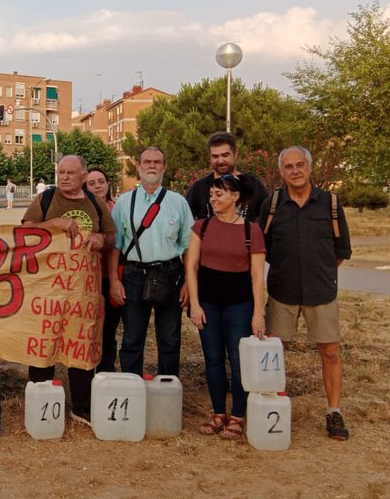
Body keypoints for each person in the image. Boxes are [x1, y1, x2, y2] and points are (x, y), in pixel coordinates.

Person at [258, 146, 352, 440]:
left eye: (300, 165)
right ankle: (270, 408)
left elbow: (340, 252)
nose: (295, 171)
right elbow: (263, 249)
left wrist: (317, 271)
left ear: (310, 168)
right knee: (273, 354)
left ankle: (334, 413)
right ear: (281, 171)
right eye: (289, 166)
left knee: (331, 352)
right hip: (282, 292)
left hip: (322, 292)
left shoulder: (331, 204)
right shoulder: (272, 204)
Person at [22, 155, 116, 422]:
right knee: (44, 345)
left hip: (82, 291)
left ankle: (81, 406)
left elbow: (111, 238)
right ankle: (41, 400)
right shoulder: (45, 200)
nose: (63, 177)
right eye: (60, 172)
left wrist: (100, 238)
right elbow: (26, 233)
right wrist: (54, 225)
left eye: (70, 173)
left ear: (83, 176)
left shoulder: (96, 203)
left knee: (81, 345)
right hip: (48, 289)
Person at [184, 174, 266, 440]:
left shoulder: (250, 230)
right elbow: (191, 267)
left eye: (219, 194)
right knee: (214, 360)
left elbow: (257, 275)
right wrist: (195, 304)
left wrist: (258, 312)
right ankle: (218, 412)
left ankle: (238, 415)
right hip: (208, 303)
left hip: (239, 306)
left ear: (235, 197)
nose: (213, 199)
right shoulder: (202, 227)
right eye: (211, 194)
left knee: (238, 360)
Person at [111, 147, 194, 377]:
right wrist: (115, 281)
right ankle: (131, 387)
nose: (152, 166)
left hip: (170, 274)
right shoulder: (124, 202)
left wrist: (188, 282)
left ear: (164, 167)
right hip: (134, 276)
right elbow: (115, 247)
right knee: (132, 338)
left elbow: (188, 247)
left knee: (169, 338)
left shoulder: (178, 202)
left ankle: (167, 388)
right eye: (147, 161)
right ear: (138, 166)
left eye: (157, 162)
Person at [85, 167, 123, 373]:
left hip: (111, 278)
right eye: (92, 183)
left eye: (101, 181)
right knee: (88, 331)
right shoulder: (81, 210)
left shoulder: (118, 209)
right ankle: (86, 374)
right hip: (87, 280)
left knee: (108, 330)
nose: (97, 186)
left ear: (108, 184)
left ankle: (106, 372)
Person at [185, 131, 269, 222]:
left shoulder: (255, 186)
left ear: (235, 153)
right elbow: (186, 223)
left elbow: (266, 223)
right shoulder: (198, 188)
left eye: (225, 155)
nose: (220, 161)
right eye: (215, 156)